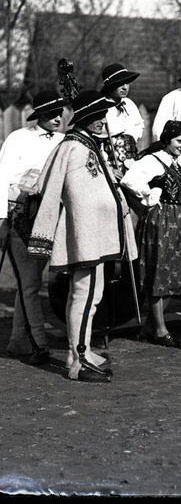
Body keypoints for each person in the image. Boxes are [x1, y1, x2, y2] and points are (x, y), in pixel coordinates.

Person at [27, 90, 138, 382]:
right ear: (86, 118)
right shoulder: (73, 147)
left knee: (92, 295)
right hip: (84, 236)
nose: (103, 122)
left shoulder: (88, 145)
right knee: (84, 294)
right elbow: (54, 191)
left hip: (96, 237)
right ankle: (78, 360)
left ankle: (82, 350)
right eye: (98, 116)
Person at [0, 90, 66, 365]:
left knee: (31, 281)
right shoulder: (18, 138)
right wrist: (1, 220)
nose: (58, 117)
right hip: (21, 216)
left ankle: (18, 340)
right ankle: (38, 341)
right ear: (38, 114)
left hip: (52, 217)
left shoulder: (64, 142)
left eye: (61, 112)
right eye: (51, 113)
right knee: (29, 283)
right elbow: (2, 179)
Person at [120, 120, 181, 347]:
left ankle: (149, 326)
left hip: (179, 220)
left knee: (175, 274)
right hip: (160, 221)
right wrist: (149, 194)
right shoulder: (152, 161)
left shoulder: (177, 161)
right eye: (179, 141)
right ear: (166, 140)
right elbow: (128, 180)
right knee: (159, 274)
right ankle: (161, 329)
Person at [100, 62, 145, 176]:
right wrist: (108, 170)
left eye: (127, 83)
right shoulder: (101, 108)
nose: (125, 87)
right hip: (111, 167)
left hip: (131, 163)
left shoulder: (129, 104)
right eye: (120, 84)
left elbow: (139, 126)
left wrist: (130, 139)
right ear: (109, 85)